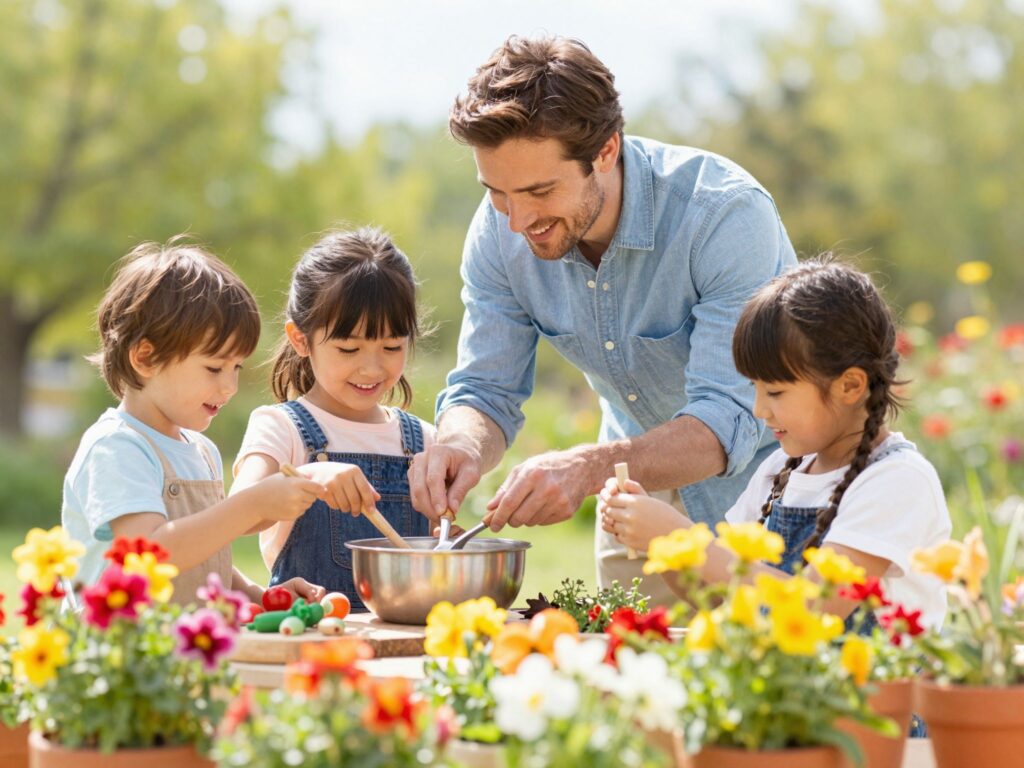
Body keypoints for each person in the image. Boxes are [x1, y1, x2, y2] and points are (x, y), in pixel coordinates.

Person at [408, 34, 797, 605]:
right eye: (497, 193)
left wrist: (587, 469)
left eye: (540, 191)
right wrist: (460, 447)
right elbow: (485, 390)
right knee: (631, 677)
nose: (517, 222)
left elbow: (726, 420)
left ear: (607, 151)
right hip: (632, 499)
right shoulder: (498, 232)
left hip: (768, 496)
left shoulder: (723, 215)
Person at [599, 258, 952, 627]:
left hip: (881, 685)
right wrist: (662, 544)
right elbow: (720, 596)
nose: (759, 409)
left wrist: (682, 537)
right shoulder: (777, 473)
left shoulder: (896, 481)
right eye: (754, 388)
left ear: (850, 385)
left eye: (775, 392)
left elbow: (816, 609)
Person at [62, 239, 328, 606]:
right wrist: (253, 504)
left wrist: (259, 595)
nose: (230, 385)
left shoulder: (202, 451)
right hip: (123, 658)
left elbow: (204, 556)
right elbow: (152, 553)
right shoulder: (116, 447)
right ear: (145, 357)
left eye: (237, 367)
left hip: (186, 655)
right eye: (214, 367)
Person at [231, 228, 436, 613]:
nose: (371, 367)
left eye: (392, 346)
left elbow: (442, 541)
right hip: (311, 645)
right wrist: (310, 478)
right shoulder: (281, 428)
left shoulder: (424, 439)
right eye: (349, 348)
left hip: (409, 651)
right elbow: (237, 514)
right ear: (300, 340)